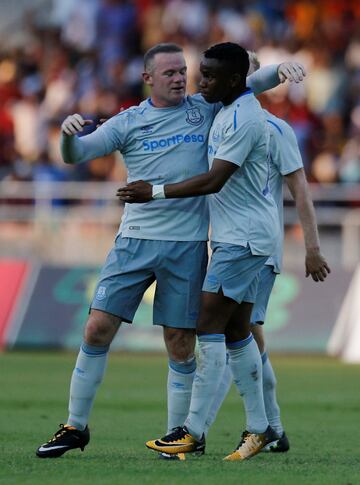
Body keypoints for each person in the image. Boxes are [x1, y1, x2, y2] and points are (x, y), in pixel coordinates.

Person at [36, 42, 304, 459]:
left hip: (187, 246)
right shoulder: (128, 122)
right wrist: (68, 135)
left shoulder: (206, 107)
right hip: (135, 241)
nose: (181, 78)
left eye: (183, 70)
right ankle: (74, 426)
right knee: (96, 329)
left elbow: (248, 84)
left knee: (181, 344)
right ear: (148, 79)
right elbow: (78, 154)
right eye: (170, 73)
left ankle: (178, 440)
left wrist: (280, 70)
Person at [117, 42, 286, 461]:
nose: (199, 82)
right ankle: (261, 427)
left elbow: (213, 181)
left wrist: (152, 192)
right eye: (201, 73)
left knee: (207, 326)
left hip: (241, 240)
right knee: (235, 332)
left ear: (233, 81)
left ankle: (191, 431)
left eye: (208, 76)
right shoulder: (226, 109)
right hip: (238, 236)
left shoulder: (246, 119)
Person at [202, 51, 331, 454]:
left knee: (235, 335)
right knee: (248, 337)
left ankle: (211, 429)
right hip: (231, 241)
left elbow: (301, 191)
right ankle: (271, 428)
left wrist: (312, 247)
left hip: (256, 248)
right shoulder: (219, 118)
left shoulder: (275, 130)